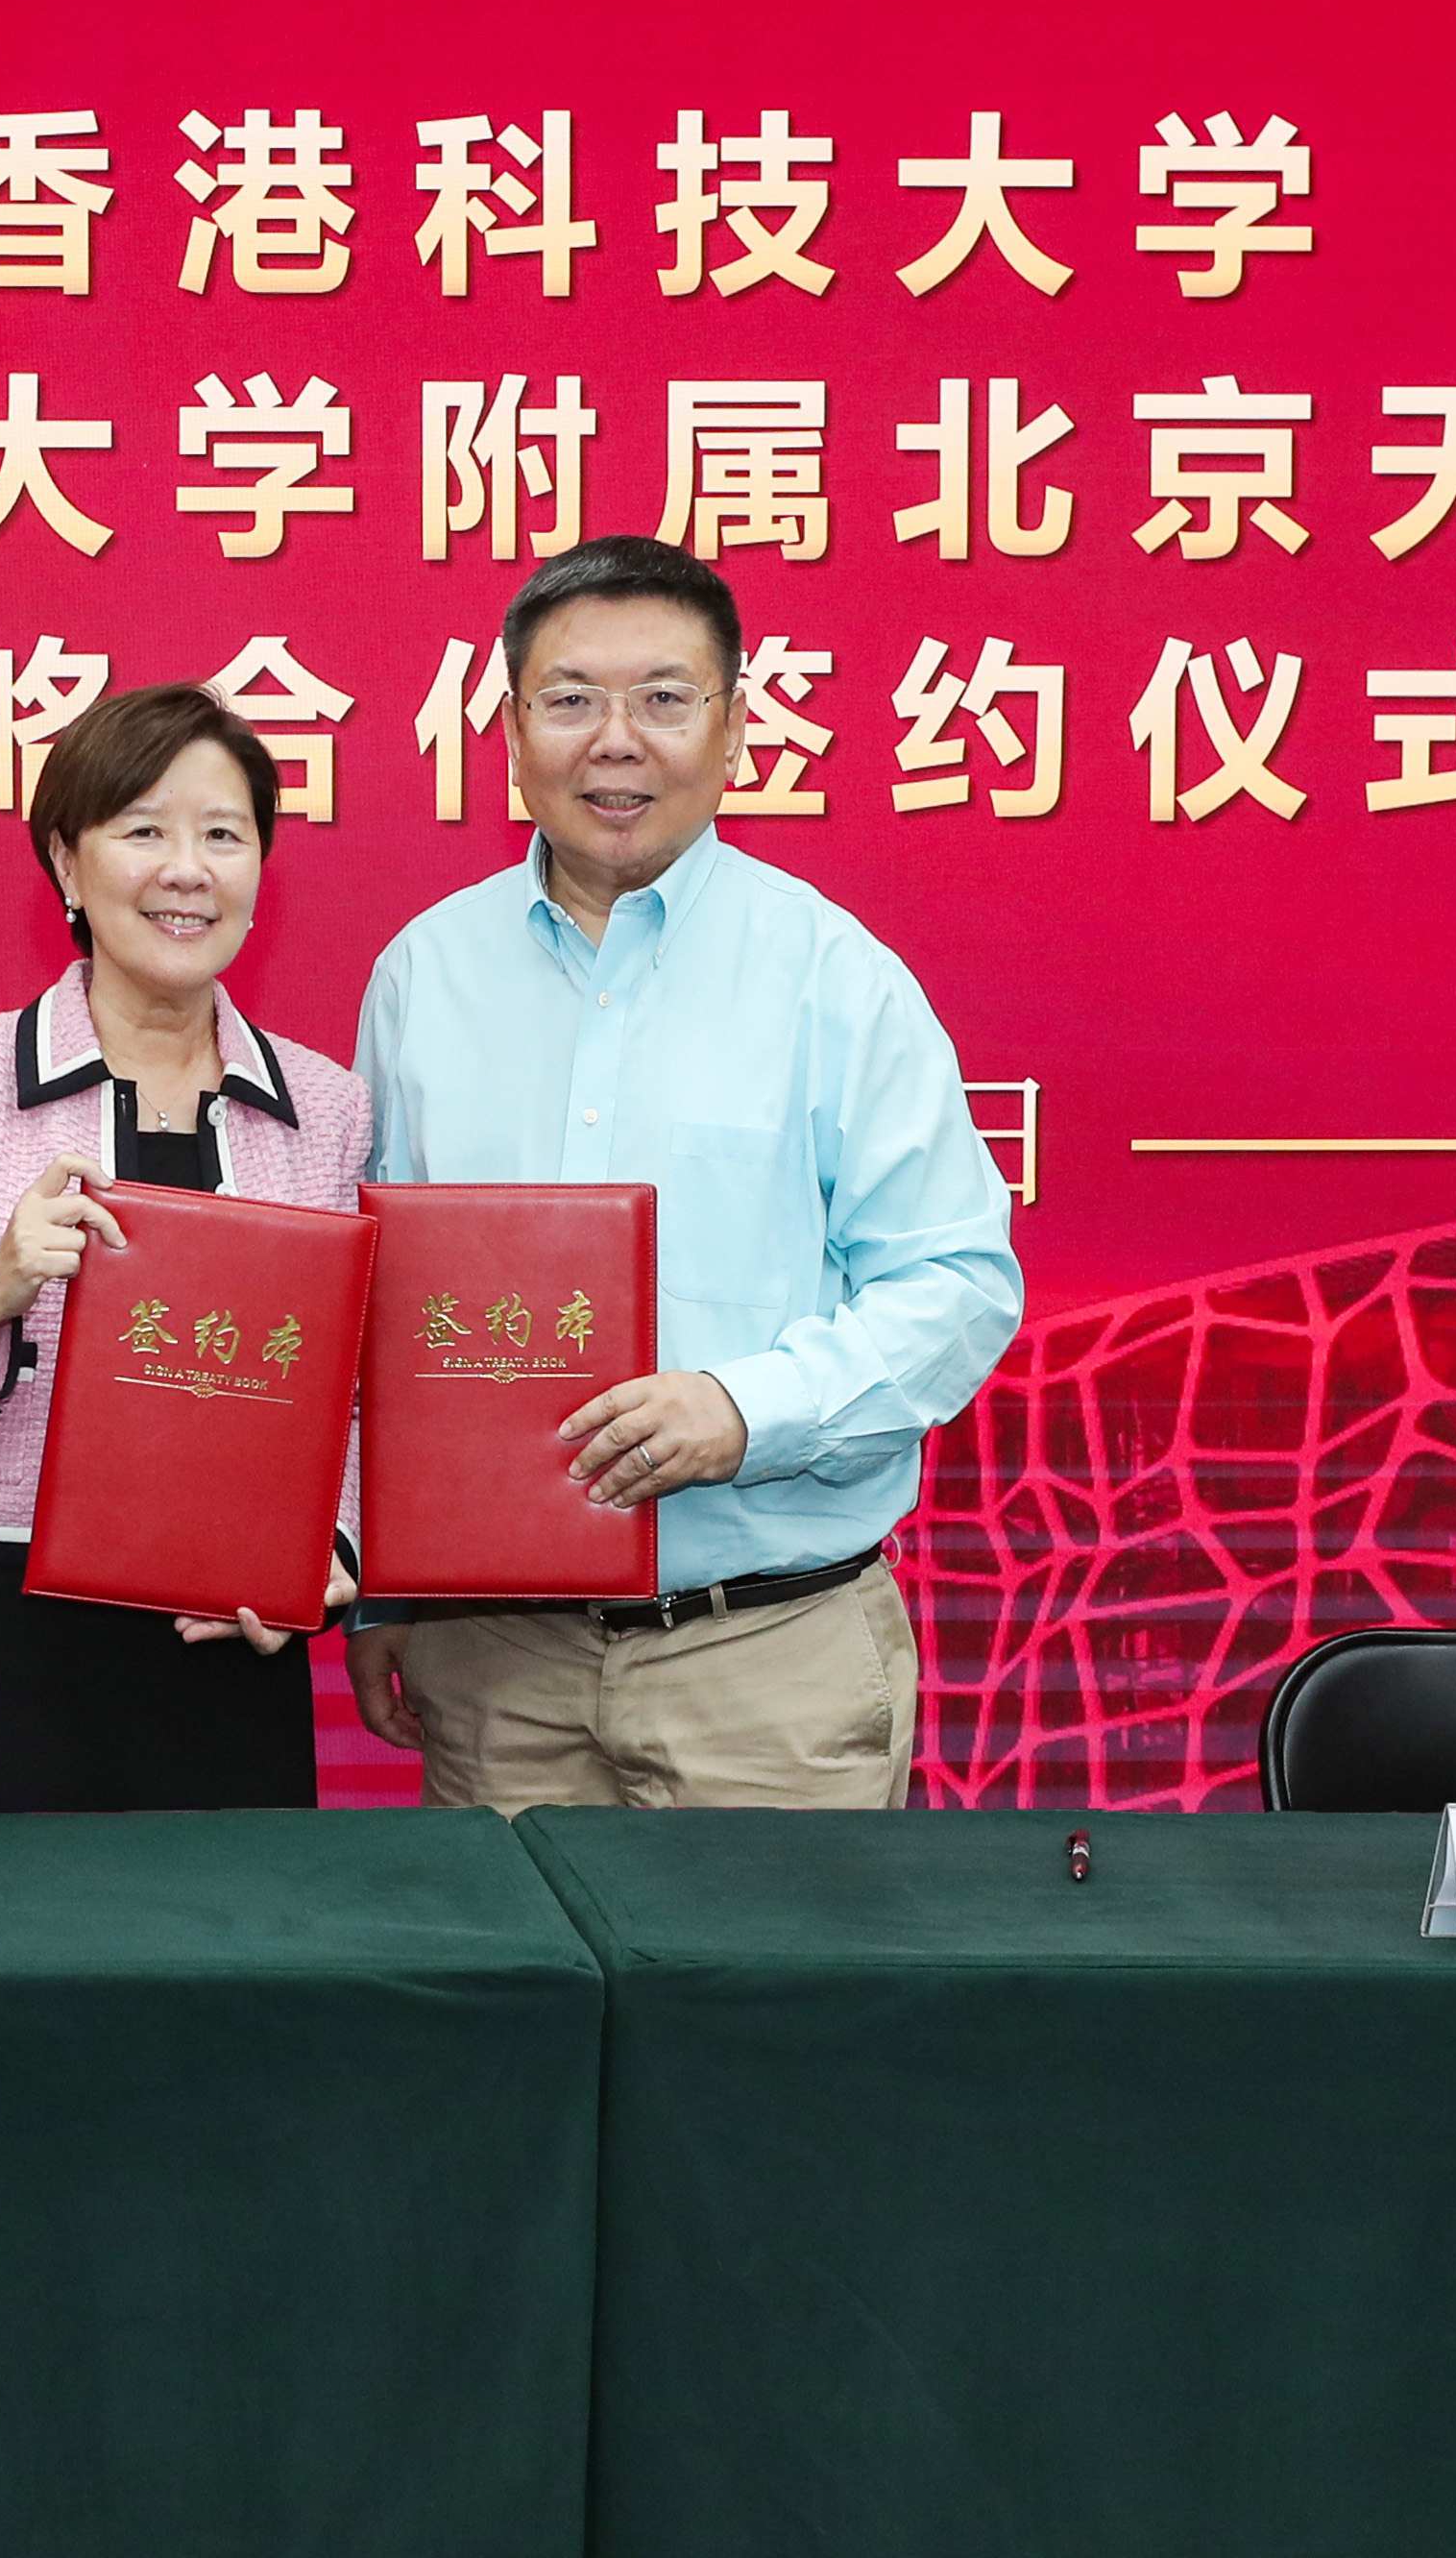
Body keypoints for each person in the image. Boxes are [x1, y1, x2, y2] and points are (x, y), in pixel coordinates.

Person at [347, 536, 1024, 1811]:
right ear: (508, 730)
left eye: (663, 698)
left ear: (734, 728)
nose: (615, 741)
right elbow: (382, 1305)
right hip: (492, 1664)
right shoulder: (422, 974)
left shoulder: (832, 975)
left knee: (766, 1961)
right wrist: (388, 1588)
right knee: (502, 1956)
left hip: (764, 1661)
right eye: (568, 699)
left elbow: (954, 1286)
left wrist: (742, 1410)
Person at [0, 685, 370, 1811]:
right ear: (67, 861)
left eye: (223, 835)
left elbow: (354, 1398)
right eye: (143, 830)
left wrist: (332, 1551)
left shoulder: (327, 1106)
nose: (187, 870)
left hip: (227, 1653)